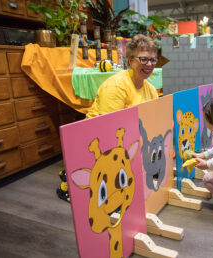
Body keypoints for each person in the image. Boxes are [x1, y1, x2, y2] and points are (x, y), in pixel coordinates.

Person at [57, 34, 159, 202]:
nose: (149, 65)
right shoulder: (117, 85)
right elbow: (108, 129)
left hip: (127, 135)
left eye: (153, 60)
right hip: (98, 139)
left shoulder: (150, 89)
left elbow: (151, 120)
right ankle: (71, 174)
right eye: (144, 59)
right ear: (130, 60)